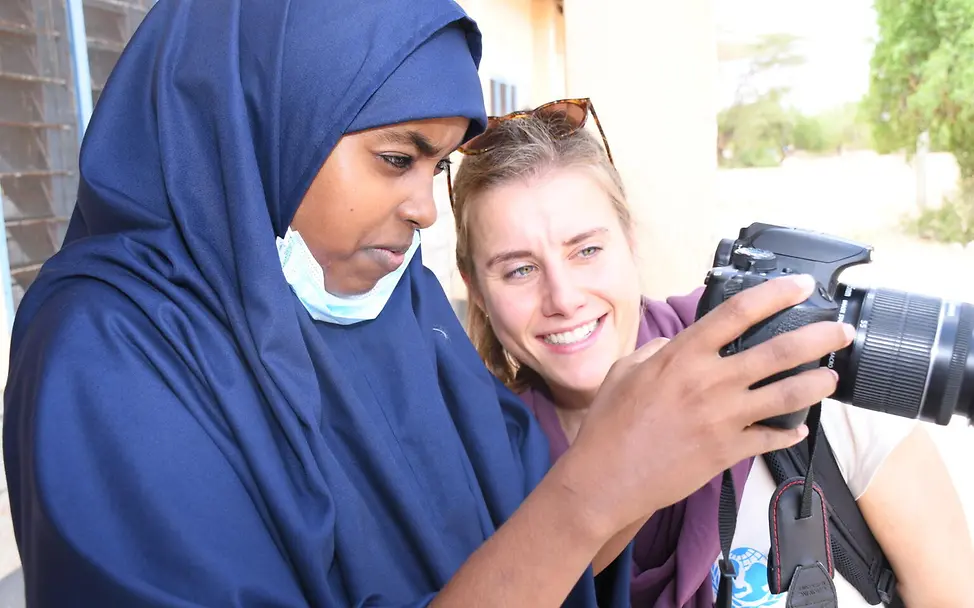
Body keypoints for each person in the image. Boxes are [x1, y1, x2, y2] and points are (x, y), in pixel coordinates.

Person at [2, 2, 855, 606]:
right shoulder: (108, 350)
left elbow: (525, 559)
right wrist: (597, 487)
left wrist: (652, 451)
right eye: (396, 156)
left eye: (438, 166)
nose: (423, 207)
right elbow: (553, 528)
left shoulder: (395, 306)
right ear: (268, 116)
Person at [450, 102, 974, 607]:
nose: (563, 299)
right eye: (519, 269)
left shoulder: (796, 365)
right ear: (477, 289)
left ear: (629, 242)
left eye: (587, 250)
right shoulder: (468, 473)